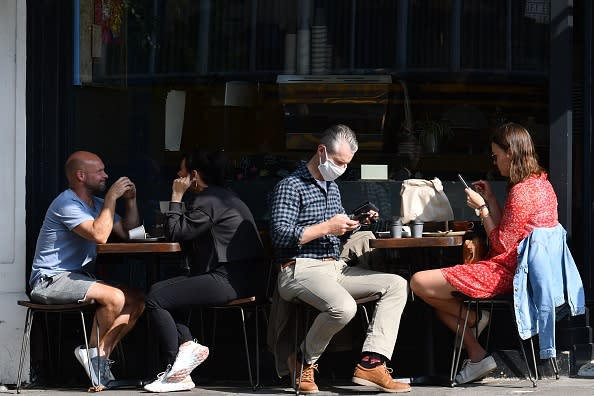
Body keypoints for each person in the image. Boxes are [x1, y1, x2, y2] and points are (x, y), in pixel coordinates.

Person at [410, 122, 559, 385]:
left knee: (420, 282)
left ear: (510, 153)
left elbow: (502, 246)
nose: (494, 161)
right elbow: (511, 233)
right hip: (526, 274)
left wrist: (482, 210)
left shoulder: (522, 191)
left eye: (495, 155)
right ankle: (476, 344)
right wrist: (490, 200)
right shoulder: (541, 184)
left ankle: (477, 334)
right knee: (441, 306)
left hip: (508, 274)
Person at [268, 124, 411, 394]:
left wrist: (354, 224)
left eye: (346, 164)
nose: (342, 169)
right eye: (338, 162)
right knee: (344, 307)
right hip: (298, 268)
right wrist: (327, 227)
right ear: (321, 151)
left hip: (334, 268)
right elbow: (280, 236)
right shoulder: (290, 186)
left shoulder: (331, 187)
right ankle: (302, 361)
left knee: (397, 284)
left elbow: (337, 235)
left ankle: (372, 362)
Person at [143, 149, 267, 393]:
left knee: (156, 297)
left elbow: (176, 232)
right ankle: (186, 350)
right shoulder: (224, 197)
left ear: (194, 176)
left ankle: (175, 370)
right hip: (243, 278)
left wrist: (176, 196)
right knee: (168, 295)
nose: (177, 176)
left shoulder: (208, 200)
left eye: (181, 172)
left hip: (227, 279)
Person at [29, 151, 145, 389]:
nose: (106, 176)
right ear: (81, 175)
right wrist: (112, 197)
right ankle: (94, 358)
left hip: (79, 278)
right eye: (100, 171)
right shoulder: (66, 203)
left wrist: (130, 200)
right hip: (50, 280)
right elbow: (100, 235)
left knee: (137, 300)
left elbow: (130, 233)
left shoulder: (99, 205)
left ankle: (97, 357)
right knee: (114, 297)